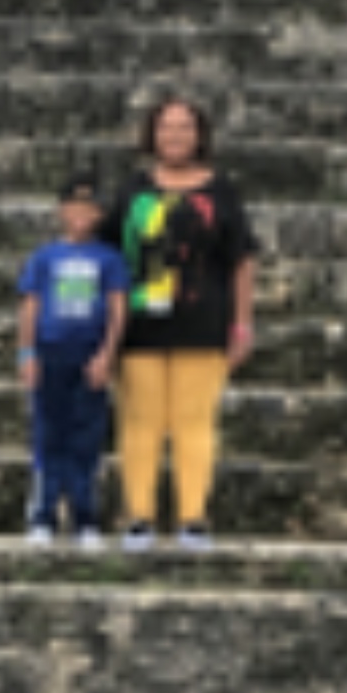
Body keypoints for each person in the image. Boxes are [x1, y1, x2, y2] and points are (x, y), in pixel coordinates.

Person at [98, 99, 260, 553]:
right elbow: (108, 256)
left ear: (199, 134)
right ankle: (139, 516)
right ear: (152, 134)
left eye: (184, 127)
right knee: (140, 422)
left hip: (204, 322)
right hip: (138, 325)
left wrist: (242, 324)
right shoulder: (133, 190)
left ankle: (192, 517)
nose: (175, 135)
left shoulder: (221, 191)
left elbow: (242, 260)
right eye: (166, 127)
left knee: (194, 423)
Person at [17, 173, 131, 549]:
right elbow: (30, 307)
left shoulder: (109, 258)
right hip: (51, 351)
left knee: (86, 438)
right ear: (62, 211)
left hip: (90, 353)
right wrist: (27, 352)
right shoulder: (45, 257)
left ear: (99, 214)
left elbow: (117, 309)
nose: (81, 214)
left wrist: (107, 354)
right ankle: (43, 516)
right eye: (74, 207)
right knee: (49, 435)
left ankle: (85, 518)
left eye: (90, 208)